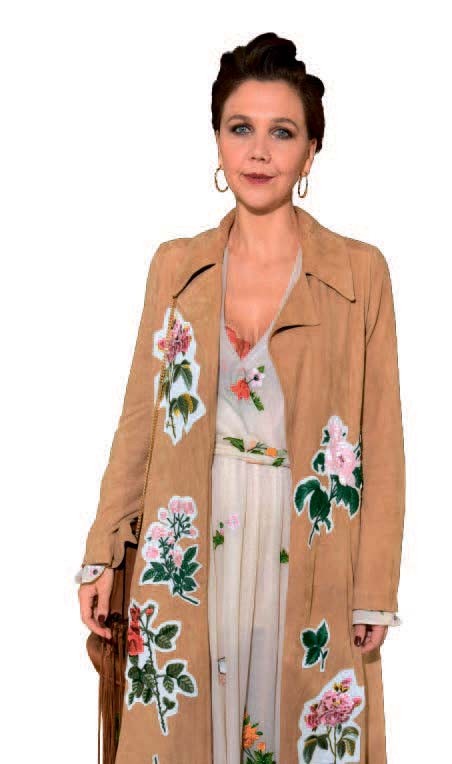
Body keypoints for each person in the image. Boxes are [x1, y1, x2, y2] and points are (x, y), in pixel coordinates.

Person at [77, 32, 405, 764]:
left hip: (306, 549)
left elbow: (382, 438)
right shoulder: (177, 267)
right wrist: (103, 554)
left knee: (297, 728)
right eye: (241, 129)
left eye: (281, 132)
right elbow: (141, 421)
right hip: (188, 547)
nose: (258, 152)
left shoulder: (359, 275)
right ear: (218, 142)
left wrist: (374, 587)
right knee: (187, 733)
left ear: (311, 151)